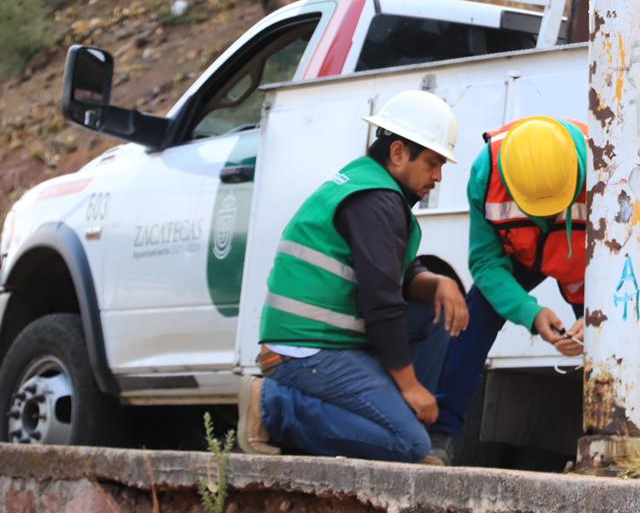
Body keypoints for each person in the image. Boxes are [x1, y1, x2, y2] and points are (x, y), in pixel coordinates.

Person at [236, 90, 469, 462]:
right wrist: (409, 385)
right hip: (305, 352)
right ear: (397, 153)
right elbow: (382, 300)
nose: (438, 176)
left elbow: (401, 275)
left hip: (328, 344)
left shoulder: (373, 187)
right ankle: (272, 407)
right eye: (432, 162)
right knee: (409, 446)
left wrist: (439, 283)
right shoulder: (375, 200)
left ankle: (397, 421)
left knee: (437, 313)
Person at [428, 116, 589, 463]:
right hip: (520, 250)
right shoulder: (486, 172)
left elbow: (623, 261)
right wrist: (530, 313)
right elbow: (486, 262)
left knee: (613, 344)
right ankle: (440, 435)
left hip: (584, 260)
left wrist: (594, 319)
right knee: (474, 319)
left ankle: (608, 442)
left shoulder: (607, 162)